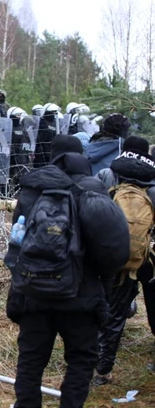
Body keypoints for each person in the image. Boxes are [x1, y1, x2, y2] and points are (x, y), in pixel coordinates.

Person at [4, 134, 130, 408]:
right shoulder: (93, 189)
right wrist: (103, 289)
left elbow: (18, 243)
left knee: (30, 362)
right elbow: (108, 249)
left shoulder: (32, 190)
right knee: (81, 361)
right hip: (80, 294)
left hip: (34, 293)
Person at [94, 136, 155, 385]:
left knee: (113, 314)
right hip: (149, 257)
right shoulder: (152, 180)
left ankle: (102, 370)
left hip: (117, 256)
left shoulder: (108, 173)